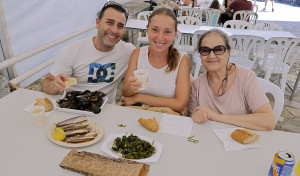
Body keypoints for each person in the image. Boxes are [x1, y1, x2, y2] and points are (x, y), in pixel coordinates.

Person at [41, 1, 135, 104]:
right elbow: (46, 84)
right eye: (109, 22)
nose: (114, 30)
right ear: (98, 23)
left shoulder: (129, 52)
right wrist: (54, 85)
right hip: (74, 108)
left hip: (107, 111)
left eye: (120, 26)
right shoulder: (72, 50)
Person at [188, 29, 276, 131]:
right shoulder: (196, 85)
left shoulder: (246, 77)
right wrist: (196, 116)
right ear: (200, 54)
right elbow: (192, 121)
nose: (211, 56)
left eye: (219, 49)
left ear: (228, 52)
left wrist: (217, 117)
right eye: (205, 50)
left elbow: (268, 121)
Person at [121, 7, 190, 115]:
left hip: (167, 117)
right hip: (137, 114)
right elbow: (125, 92)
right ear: (147, 29)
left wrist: (139, 97)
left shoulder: (182, 60)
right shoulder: (137, 54)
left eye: (167, 32)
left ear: (175, 34)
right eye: (155, 29)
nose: (160, 37)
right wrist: (131, 87)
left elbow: (180, 103)